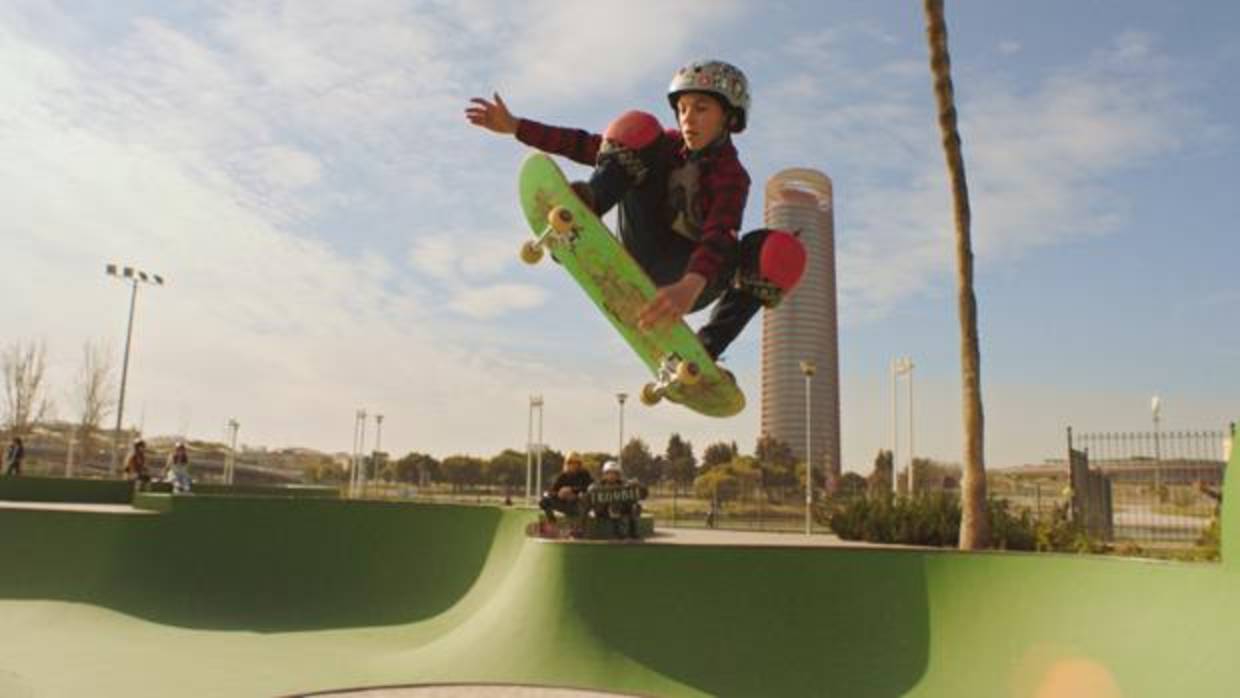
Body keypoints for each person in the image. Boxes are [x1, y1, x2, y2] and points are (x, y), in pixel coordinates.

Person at [466, 59, 807, 365]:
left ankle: (704, 352)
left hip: (691, 278)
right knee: (637, 127)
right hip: (644, 245)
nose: (688, 120)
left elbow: (719, 234)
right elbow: (587, 145)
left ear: (729, 118)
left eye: (701, 109)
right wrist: (516, 126)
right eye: (683, 109)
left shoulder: (732, 176)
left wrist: (690, 285)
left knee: (779, 252)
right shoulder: (664, 146)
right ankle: (584, 213)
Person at [586, 460, 648, 540]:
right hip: (603, 510)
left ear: (618, 475)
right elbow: (590, 492)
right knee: (614, 505)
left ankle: (633, 532)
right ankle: (617, 534)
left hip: (621, 509)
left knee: (636, 507)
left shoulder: (624, 484)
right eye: (608, 473)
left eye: (614, 473)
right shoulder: (598, 485)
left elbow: (643, 493)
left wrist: (638, 485)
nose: (611, 476)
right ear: (604, 475)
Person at [539, 451, 593, 536]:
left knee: (584, 496)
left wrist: (573, 491)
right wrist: (559, 494)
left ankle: (579, 528)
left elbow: (590, 488)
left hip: (578, 505)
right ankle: (552, 523)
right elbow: (551, 491)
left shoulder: (584, 474)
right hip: (564, 504)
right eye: (571, 462)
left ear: (580, 464)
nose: (573, 465)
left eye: (576, 463)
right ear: (567, 464)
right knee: (544, 500)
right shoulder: (562, 476)